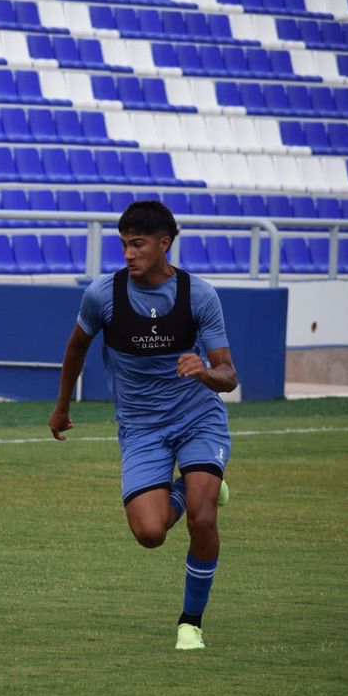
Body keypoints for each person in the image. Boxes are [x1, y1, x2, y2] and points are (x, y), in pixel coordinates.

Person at [48, 200, 236, 651]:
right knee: (149, 534)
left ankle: (190, 622)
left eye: (138, 244)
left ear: (164, 243)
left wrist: (204, 372)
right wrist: (60, 407)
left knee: (202, 517)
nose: (128, 254)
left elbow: (227, 375)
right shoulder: (102, 295)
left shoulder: (199, 295)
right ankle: (188, 486)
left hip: (198, 418)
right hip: (141, 427)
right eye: (124, 244)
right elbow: (76, 348)